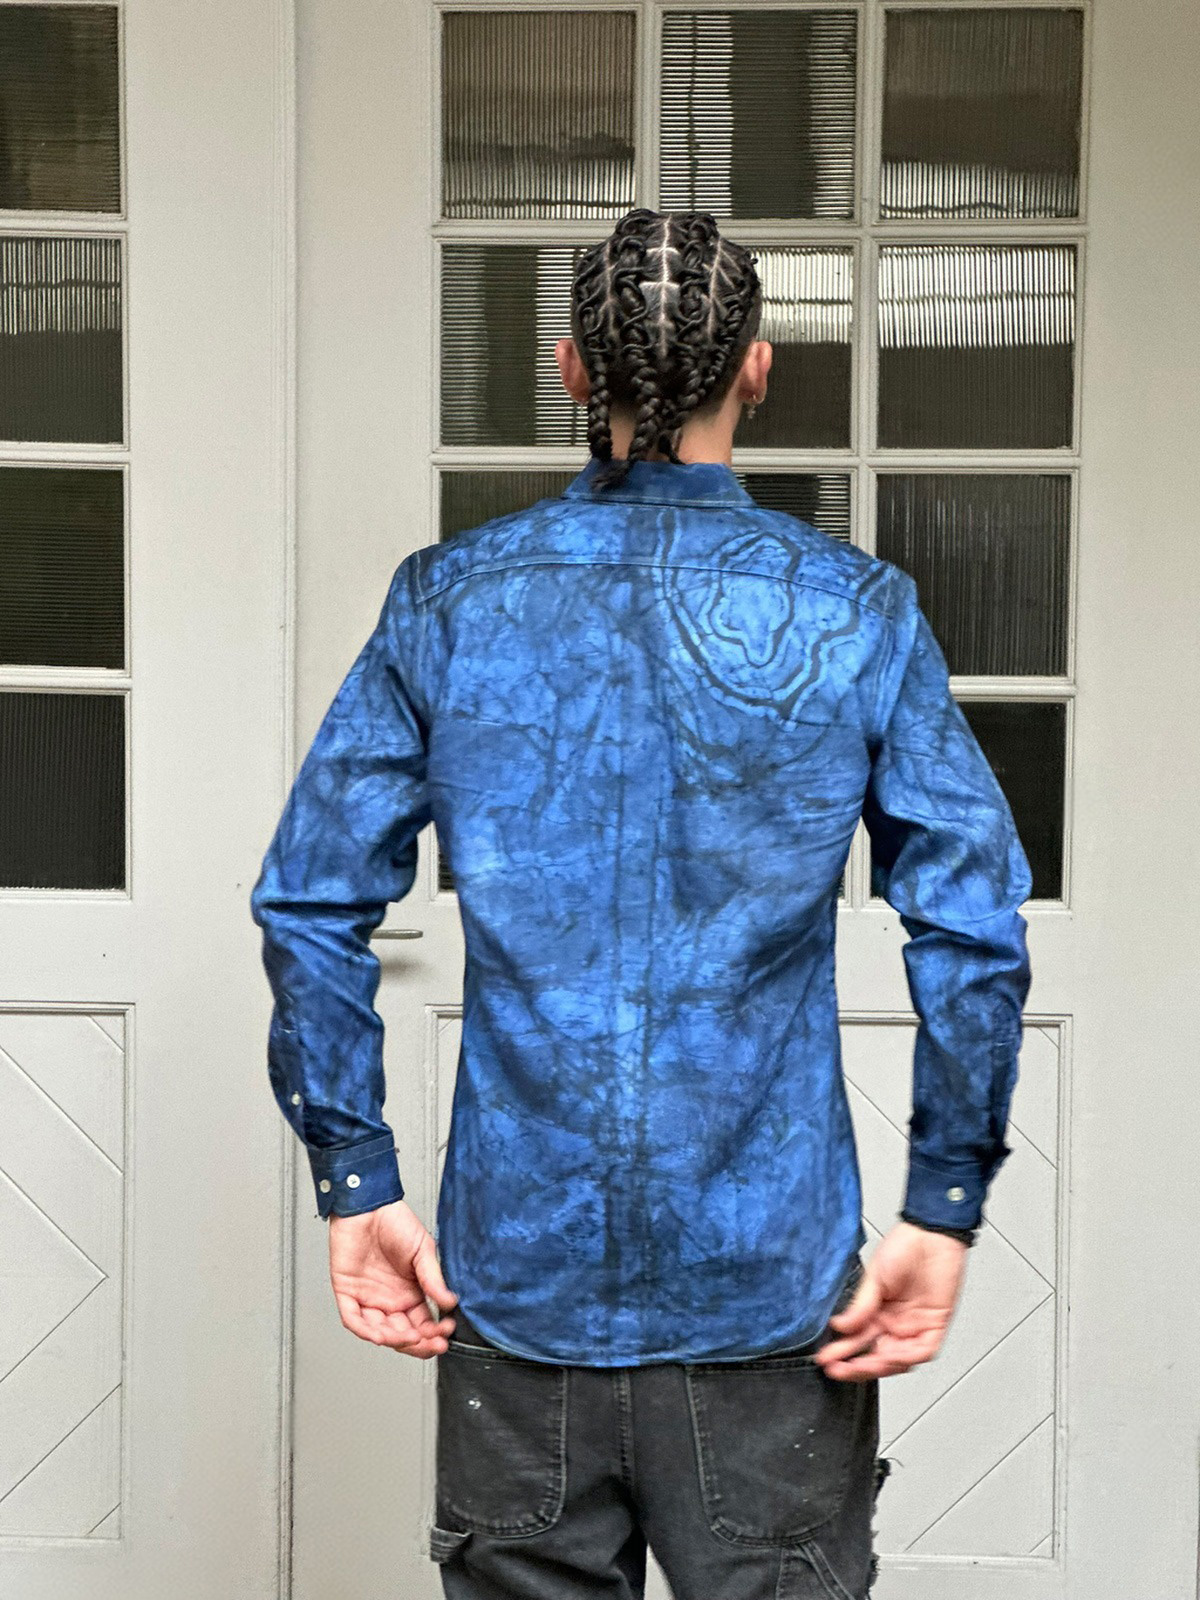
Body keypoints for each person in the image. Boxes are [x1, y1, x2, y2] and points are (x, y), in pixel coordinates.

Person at [250, 207, 1032, 1599]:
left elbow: (312, 902)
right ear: (759, 369)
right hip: (763, 1289)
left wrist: (355, 1179)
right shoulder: (855, 610)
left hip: (519, 1287)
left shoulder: (448, 601)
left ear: (569, 370)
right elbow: (971, 927)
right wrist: (945, 1201)